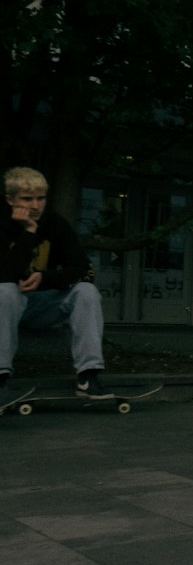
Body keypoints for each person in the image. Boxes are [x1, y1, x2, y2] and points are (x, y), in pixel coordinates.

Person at [0, 167, 112, 399]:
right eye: (27, 199)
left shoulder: (55, 224)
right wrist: (29, 232)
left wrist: (47, 277)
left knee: (86, 291)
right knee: (5, 290)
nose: (35, 206)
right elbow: (4, 273)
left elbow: (83, 269)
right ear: (10, 199)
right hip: (5, 304)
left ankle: (88, 376)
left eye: (41, 199)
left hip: (41, 305)